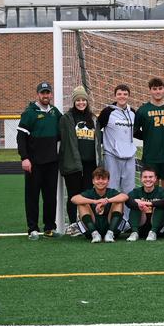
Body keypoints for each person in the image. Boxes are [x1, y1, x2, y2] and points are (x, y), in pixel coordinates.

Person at [17, 81, 62, 240]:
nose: (45, 95)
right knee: (32, 197)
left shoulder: (55, 112)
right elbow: (21, 137)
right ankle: (33, 229)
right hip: (34, 163)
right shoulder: (30, 112)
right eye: (43, 93)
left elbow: (64, 132)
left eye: (47, 92)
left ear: (51, 94)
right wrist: (25, 158)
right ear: (38, 94)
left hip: (52, 162)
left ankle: (49, 228)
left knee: (51, 197)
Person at [59, 86, 100, 236]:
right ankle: (72, 224)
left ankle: (86, 223)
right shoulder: (67, 118)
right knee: (73, 195)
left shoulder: (93, 119)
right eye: (78, 100)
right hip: (73, 164)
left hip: (90, 164)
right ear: (74, 101)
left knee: (87, 195)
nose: (81, 102)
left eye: (83, 100)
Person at [134, 77, 164, 190]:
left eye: (160, 88)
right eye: (154, 89)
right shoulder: (143, 110)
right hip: (150, 156)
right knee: (151, 187)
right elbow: (134, 131)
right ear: (150, 90)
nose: (158, 91)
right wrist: (147, 137)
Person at [97, 84, 137, 195]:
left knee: (129, 191)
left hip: (129, 156)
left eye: (125, 94)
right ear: (115, 96)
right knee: (111, 189)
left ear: (128, 96)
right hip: (111, 155)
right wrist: (104, 141)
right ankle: (111, 212)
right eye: (119, 94)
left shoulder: (133, 112)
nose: (122, 96)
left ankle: (127, 213)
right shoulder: (107, 112)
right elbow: (96, 130)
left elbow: (136, 132)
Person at [71, 166, 128, 243]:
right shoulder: (89, 192)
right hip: (92, 228)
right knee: (82, 203)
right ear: (93, 181)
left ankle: (110, 233)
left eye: (103, 179)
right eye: (98, 179)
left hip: (111, 227)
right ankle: (94, 233)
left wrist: (107, 201)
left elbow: (125, 196)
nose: (100, 181)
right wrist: (95, 201)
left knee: (118, 202)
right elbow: (74, 199)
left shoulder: (111, 192)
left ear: (108, 181)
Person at [125, 166, 164, 242]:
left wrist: (149, 203)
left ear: (155, 178)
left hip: (159, 229)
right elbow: (127, 201)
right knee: (137, 204)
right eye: (145, 177)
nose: (148, 179)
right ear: (141, 179)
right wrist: (139, 203)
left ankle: (153, 232)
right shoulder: (136, 191)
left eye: (150, 177)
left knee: (160, 205)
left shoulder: (162, 191)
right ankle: (134, 232)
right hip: (141, 228)